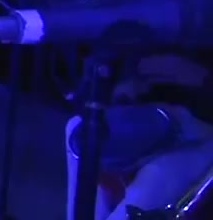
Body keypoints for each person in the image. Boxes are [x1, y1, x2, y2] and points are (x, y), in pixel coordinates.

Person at [64, 53, 213, 220]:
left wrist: (200, 77)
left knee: (160, 173)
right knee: (79, 130)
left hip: (199, 124)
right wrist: (124, 79)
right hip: (146, 113)